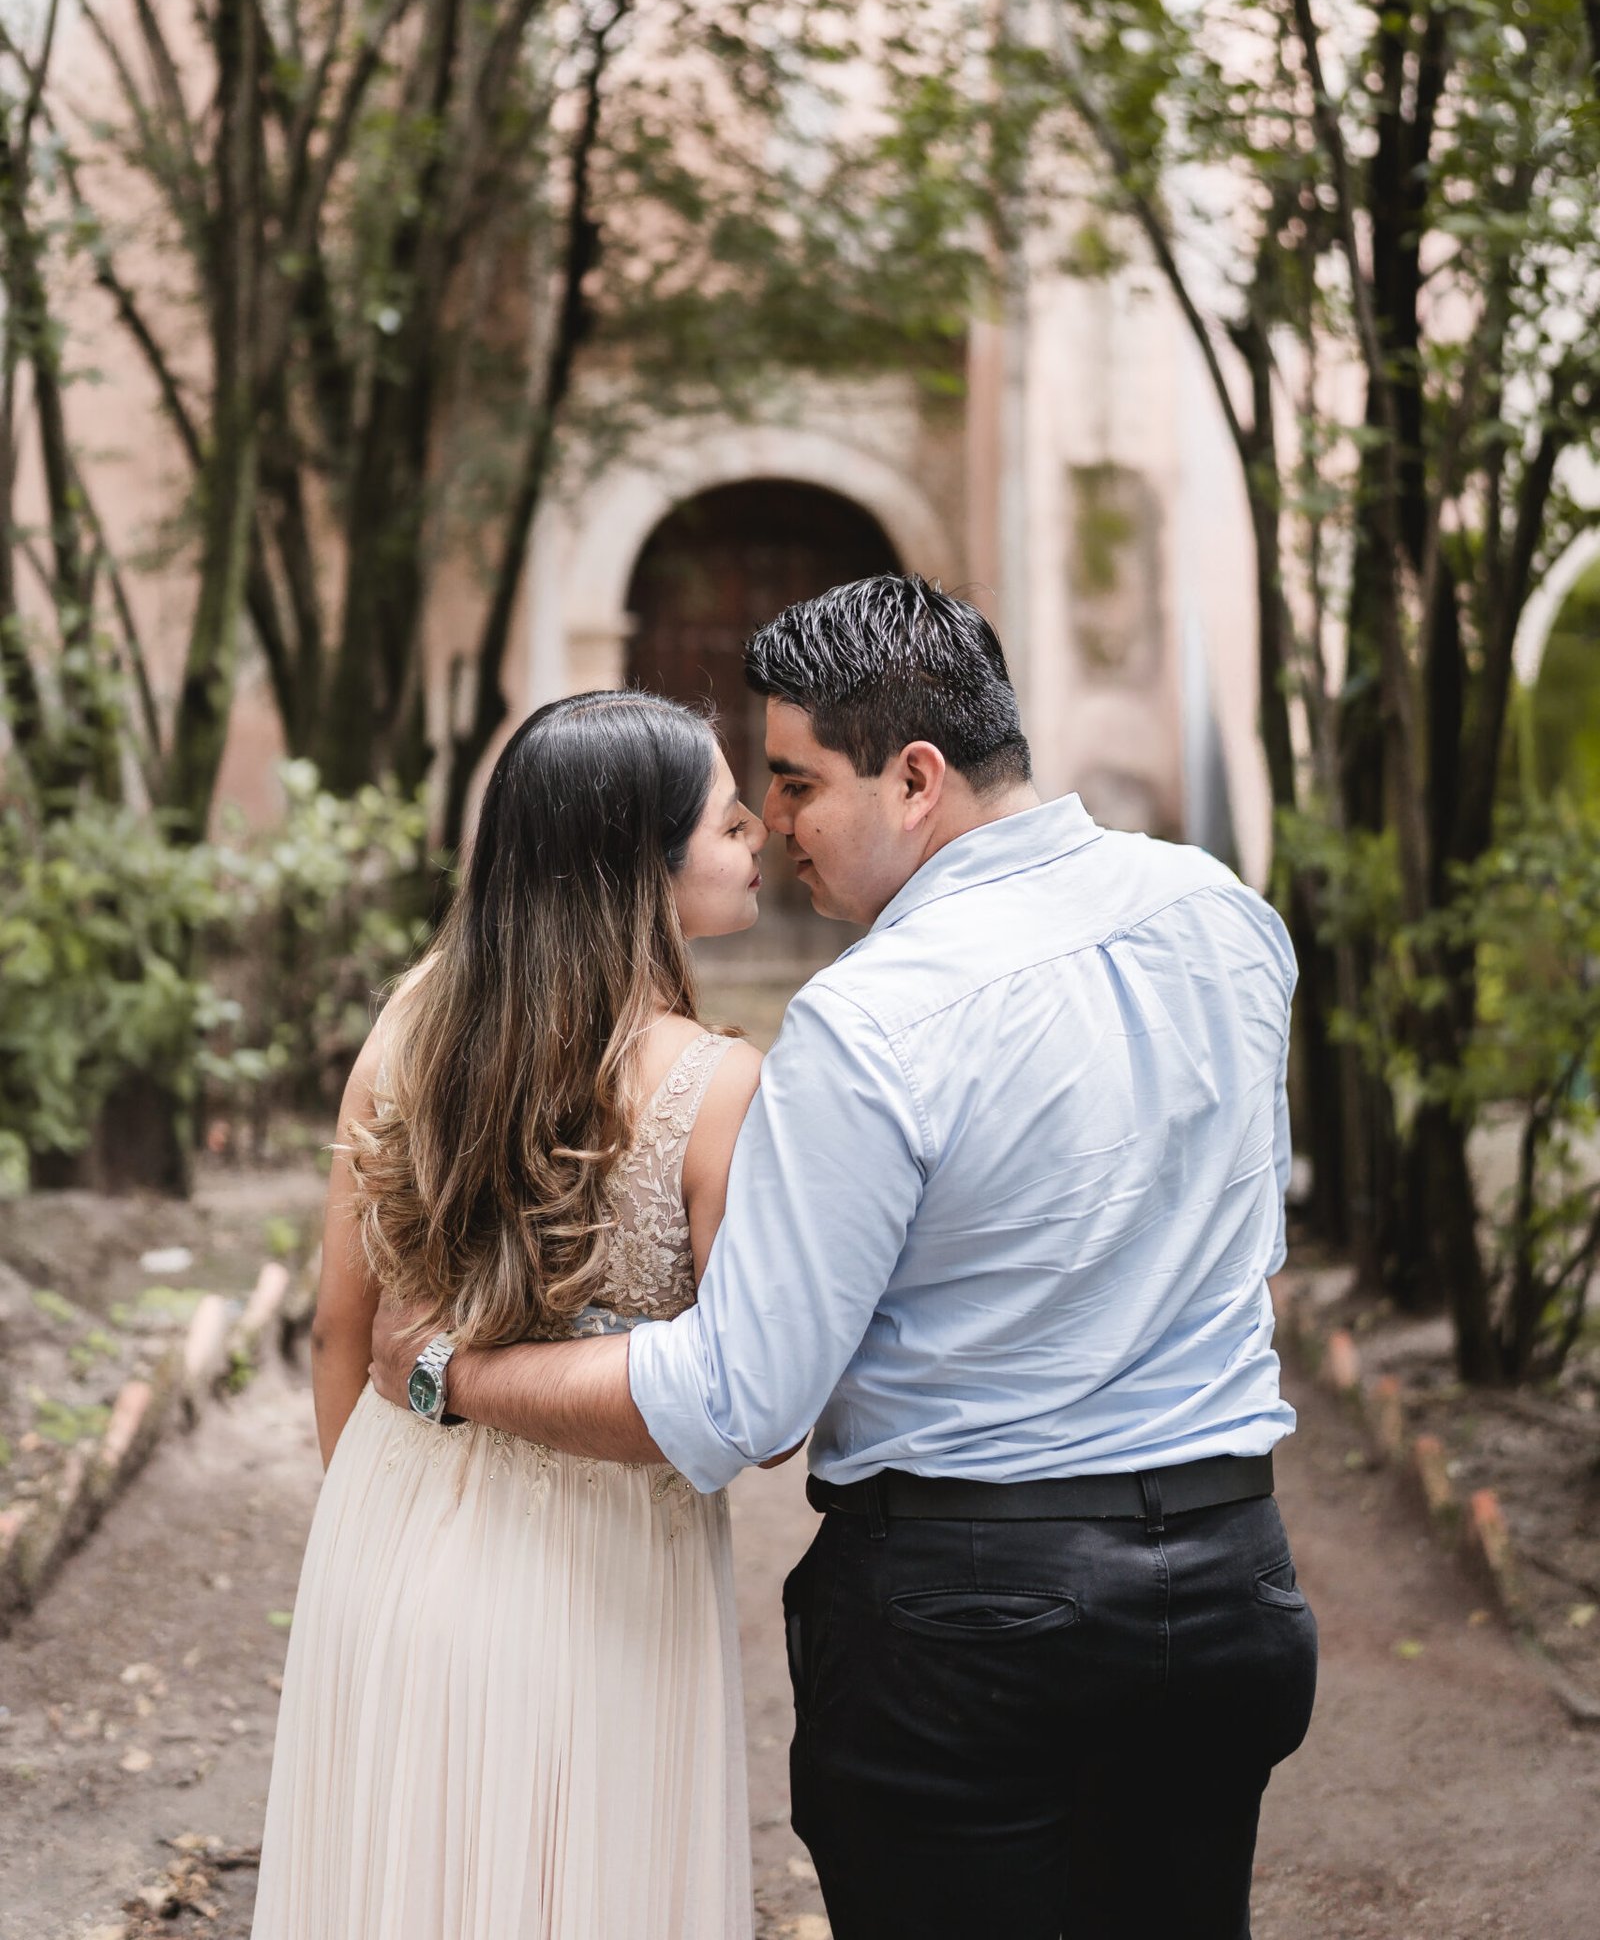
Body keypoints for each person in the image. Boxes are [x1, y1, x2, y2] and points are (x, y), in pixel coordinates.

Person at [372, 573, 1319, 1940]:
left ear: (916, 779)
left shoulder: (870, 1019)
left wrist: (453, 1374)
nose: (776, 823)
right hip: (1233, 1588)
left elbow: (737, 1399)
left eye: (799, 783)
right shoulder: (1222, 912)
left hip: (972, 1630)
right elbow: (1247, 1230)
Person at [252, 691, 768, 1940]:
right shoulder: (720, 1089)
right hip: (605, 1574)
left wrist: (372, 1535)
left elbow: (339, 1332)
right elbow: (752, 1393)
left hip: (387, 1519)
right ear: (638, 864)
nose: (757, 829)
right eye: (726, 819)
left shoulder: (410, 1023)